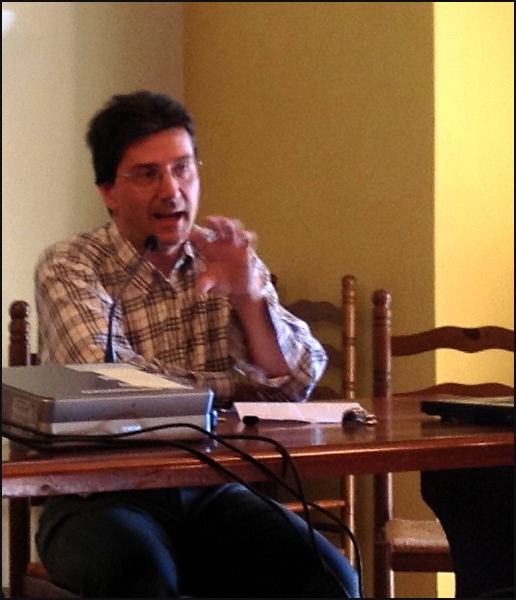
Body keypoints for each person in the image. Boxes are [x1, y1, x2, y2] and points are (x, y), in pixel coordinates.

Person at [34, 90, 360, 598]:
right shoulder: (70, 265)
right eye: (148, 174)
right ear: (108, 192)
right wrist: (233, 388)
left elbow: (295, 383)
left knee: (329, 576)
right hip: (96, 496)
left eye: (182, 169)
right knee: (141, 575)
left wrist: (249, 298)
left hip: (212, 489)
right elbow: (110, 386)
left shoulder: (223, 257)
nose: (172, 190)